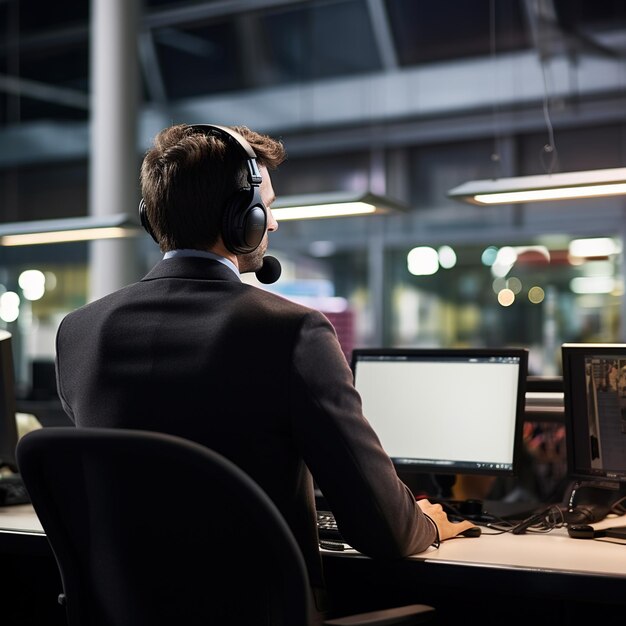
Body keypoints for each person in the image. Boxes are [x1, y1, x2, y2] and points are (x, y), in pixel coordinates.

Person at [55, 123, 474, 620]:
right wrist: (425, 522)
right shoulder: (293, 332)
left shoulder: (79, 332)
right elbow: (383, 530)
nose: (272, 224)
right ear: (243, 220)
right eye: (267, 207)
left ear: (152, 219)